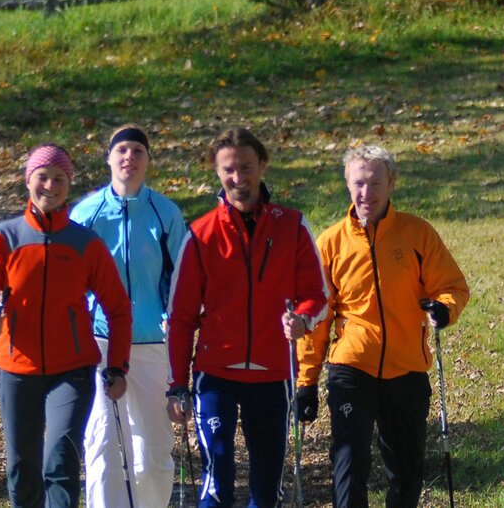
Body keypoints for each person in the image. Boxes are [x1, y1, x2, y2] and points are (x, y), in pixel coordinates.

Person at [295, 145, 470, 508]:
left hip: (406, 369)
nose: (366, 193)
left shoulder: (417, 233)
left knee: (407, 473)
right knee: (348, 465)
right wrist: (306, 382)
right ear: (347, 184)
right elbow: (317, 317)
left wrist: (443, 309)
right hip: (352, 368)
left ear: (391, 184)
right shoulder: (330, 243)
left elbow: (452, 287)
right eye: (359, 183)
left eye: (375, 183)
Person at [166, 127, 328, 508]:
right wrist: (176, 385)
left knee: (267, 487)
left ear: (263, 167)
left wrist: (302, 320)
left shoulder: (292, 225)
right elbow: (180, 318)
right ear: (217, 172)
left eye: (246, 167)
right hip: (215, 374)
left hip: (273, 373)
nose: (238, 177)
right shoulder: (200, 234)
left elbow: (317, 296)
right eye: (228, 169)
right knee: (216, 479)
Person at [0, 143, 133, 508]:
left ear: (69, 184)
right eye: (43, 177)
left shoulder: (85, 243)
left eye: (60, 179)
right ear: (28, 180)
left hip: (71, 370)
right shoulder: (5, 238)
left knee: (60, 459)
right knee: (22, 467)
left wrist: (117, 366)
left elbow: (119, 309)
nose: (50, 186)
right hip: (16, 369)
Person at [70, 124, 188, 507]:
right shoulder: (86, 213)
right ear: (108, 158)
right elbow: (71, 280)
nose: (129, 157)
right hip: (100, 342)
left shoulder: (165, 213)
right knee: (101, 444)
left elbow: (182, 278)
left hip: (152, 343)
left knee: (152, 452)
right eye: (121, 150)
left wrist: (176, 323)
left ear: (148, 160)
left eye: (138, 151)